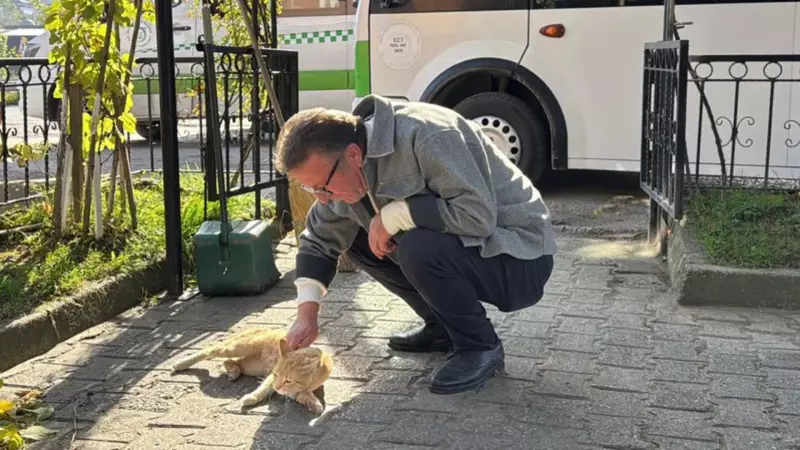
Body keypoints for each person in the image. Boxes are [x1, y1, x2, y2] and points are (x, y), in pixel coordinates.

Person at [274, 94, 557, 395]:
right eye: (310, 188)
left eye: (322, 186)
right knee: (357, 238)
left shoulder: (428, 135)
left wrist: (393, 215)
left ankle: (480, 347)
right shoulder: (340, 171)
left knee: (417, 247)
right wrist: (307, 317)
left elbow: (477, 217)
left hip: (519, 256)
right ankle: (441, 325)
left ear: (354, 155)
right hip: (474, 248)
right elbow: (318, 241)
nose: (322, 197)